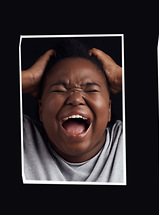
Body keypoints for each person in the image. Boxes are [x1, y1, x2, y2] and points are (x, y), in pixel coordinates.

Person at [21, 38, 124, 182]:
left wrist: (121, 77)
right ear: (41, 108)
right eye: (59, 90)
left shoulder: (123, 142)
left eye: (91, 90)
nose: (75, 99)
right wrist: (27, 79)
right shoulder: (23, 137)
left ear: (108, 109)